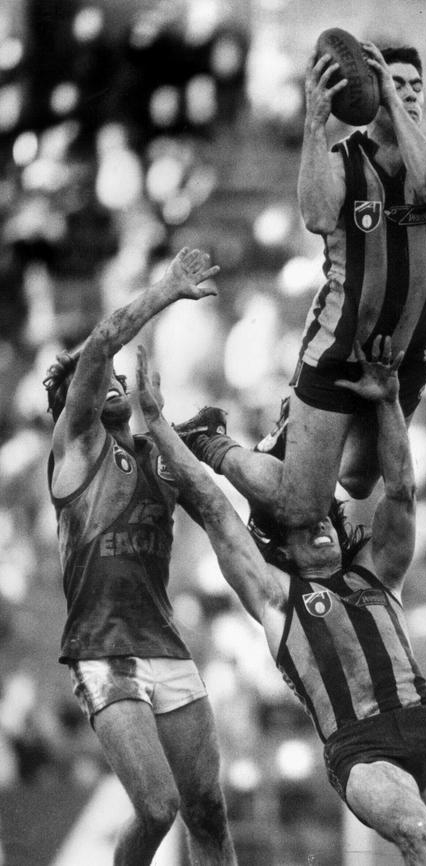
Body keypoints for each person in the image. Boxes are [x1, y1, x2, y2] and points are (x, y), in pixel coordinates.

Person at [137, 338, 426, 866]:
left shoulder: (377, 570)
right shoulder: (277, 595)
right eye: (305, 525)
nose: (323, 525)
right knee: (419, 835)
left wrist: (388, 400)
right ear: (279, 544)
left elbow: (402, 492)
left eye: (326, 516)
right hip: (361, 748)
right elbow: (216, 512)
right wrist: (157, 422)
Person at [175, 42, 426, 531]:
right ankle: (211, 440)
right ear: (370, 91)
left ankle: (290, 439)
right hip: (339, 346)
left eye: (417, 86)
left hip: (405, 360)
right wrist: (314, 123)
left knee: (357, 482)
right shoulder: (340, 161)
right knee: (303, 507)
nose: (411, 95)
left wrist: (395, 108)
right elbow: (314, 215)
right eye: (396, 84)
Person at [43, 248, 238, 866]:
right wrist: (166, 289)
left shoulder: (159, 453)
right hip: (104, 649)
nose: (111, 382)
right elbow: (101, 343)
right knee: (158, 807)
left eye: (116, 379)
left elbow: (215, 508)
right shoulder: (75, 448)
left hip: (166, 645)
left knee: (207, 809)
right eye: (98, 381)